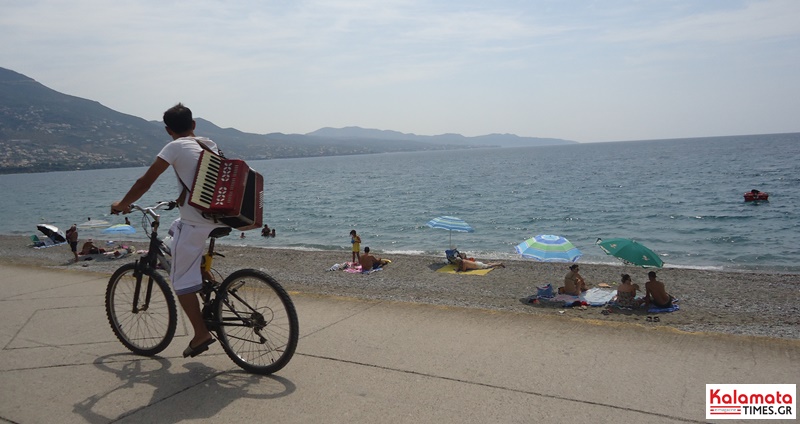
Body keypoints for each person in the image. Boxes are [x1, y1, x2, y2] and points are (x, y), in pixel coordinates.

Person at [111, 103, 218, 359]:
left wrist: (122, 204)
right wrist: (181, 198)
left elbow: (145, 181)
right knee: (175, 230)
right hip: (219, 215)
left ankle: (201, 333)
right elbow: (202, 177)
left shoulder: (174, 146)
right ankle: (206, 279)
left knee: (179, 282)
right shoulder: (207, 143)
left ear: (167, 130)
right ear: (193, 125)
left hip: (198, 222)